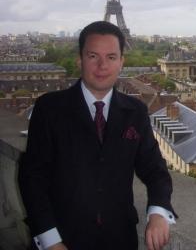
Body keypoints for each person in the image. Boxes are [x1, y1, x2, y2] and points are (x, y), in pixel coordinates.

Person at [19, 21, 176, 250]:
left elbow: (155, 170)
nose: (102, 65)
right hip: (62, 240)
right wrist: (51, 241)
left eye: (111, 57)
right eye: (93, 56)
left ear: (122, 62)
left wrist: (159, 212)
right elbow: (33, 179)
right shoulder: (49, 109)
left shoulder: (136, 111)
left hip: (119, 239)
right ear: (79, 60)